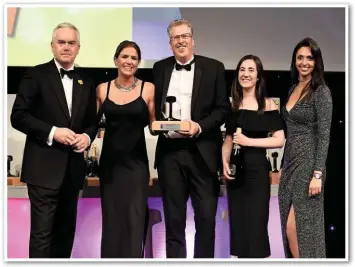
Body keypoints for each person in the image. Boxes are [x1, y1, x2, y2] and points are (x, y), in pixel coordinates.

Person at [10, 22, 97, 258]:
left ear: (78, 47)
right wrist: (52, 132)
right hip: (43, 169)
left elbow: (93, 121)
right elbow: (18, 116)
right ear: (52, 46)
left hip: (73, 171)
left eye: (71, 43)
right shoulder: (35, 74)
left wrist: (87, 137)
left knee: (65, 234)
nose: (66, 47)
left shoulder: (87, 81)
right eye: (61, 42)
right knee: (42, 235)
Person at [152, 19, 230, 258]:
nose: (181, 41)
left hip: (203, 153)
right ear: (170, 43)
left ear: (193, 40)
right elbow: (154, 108)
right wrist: (159, 125)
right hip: (170, 154)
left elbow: (222, 110)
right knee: (173, 220)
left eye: (185, 36)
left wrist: (199, 127)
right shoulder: (159, 68)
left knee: (206, 219)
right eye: (176, 37)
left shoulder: (214, 67)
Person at [96, 40, 155, 258]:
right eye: (125, 56)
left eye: (134, 58)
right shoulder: (103, 89)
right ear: (116, 60)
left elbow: (156, 125)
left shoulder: (148, 89)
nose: (129, 61)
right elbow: (90, 126)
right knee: (112, 222)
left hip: (136, 166)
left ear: (138, 63)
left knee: (134, 221)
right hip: (110, 166)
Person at [222, 55, 285, 258]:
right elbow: (229, 140)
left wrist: (249, 141)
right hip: (236, 174)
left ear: (258, 76)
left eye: (251, 70)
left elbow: (279, 140)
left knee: (256, 227)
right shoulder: (233, 105)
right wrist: (224, 162)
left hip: (257, 172)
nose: (245, 74)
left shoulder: (266, 105)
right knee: (238, 228)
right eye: (242, 69)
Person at [278, 37, 333, 258]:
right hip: (290, 165)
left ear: (316, 62)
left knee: (300, 229)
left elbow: (325, 134)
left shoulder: (321, 91)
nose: (304, 62)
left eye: (309, 58)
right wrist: (283, 164)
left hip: (309, 165)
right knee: (287, 229)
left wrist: (317, 174)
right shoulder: (292, 88)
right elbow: (289, 133)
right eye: (300, 57)